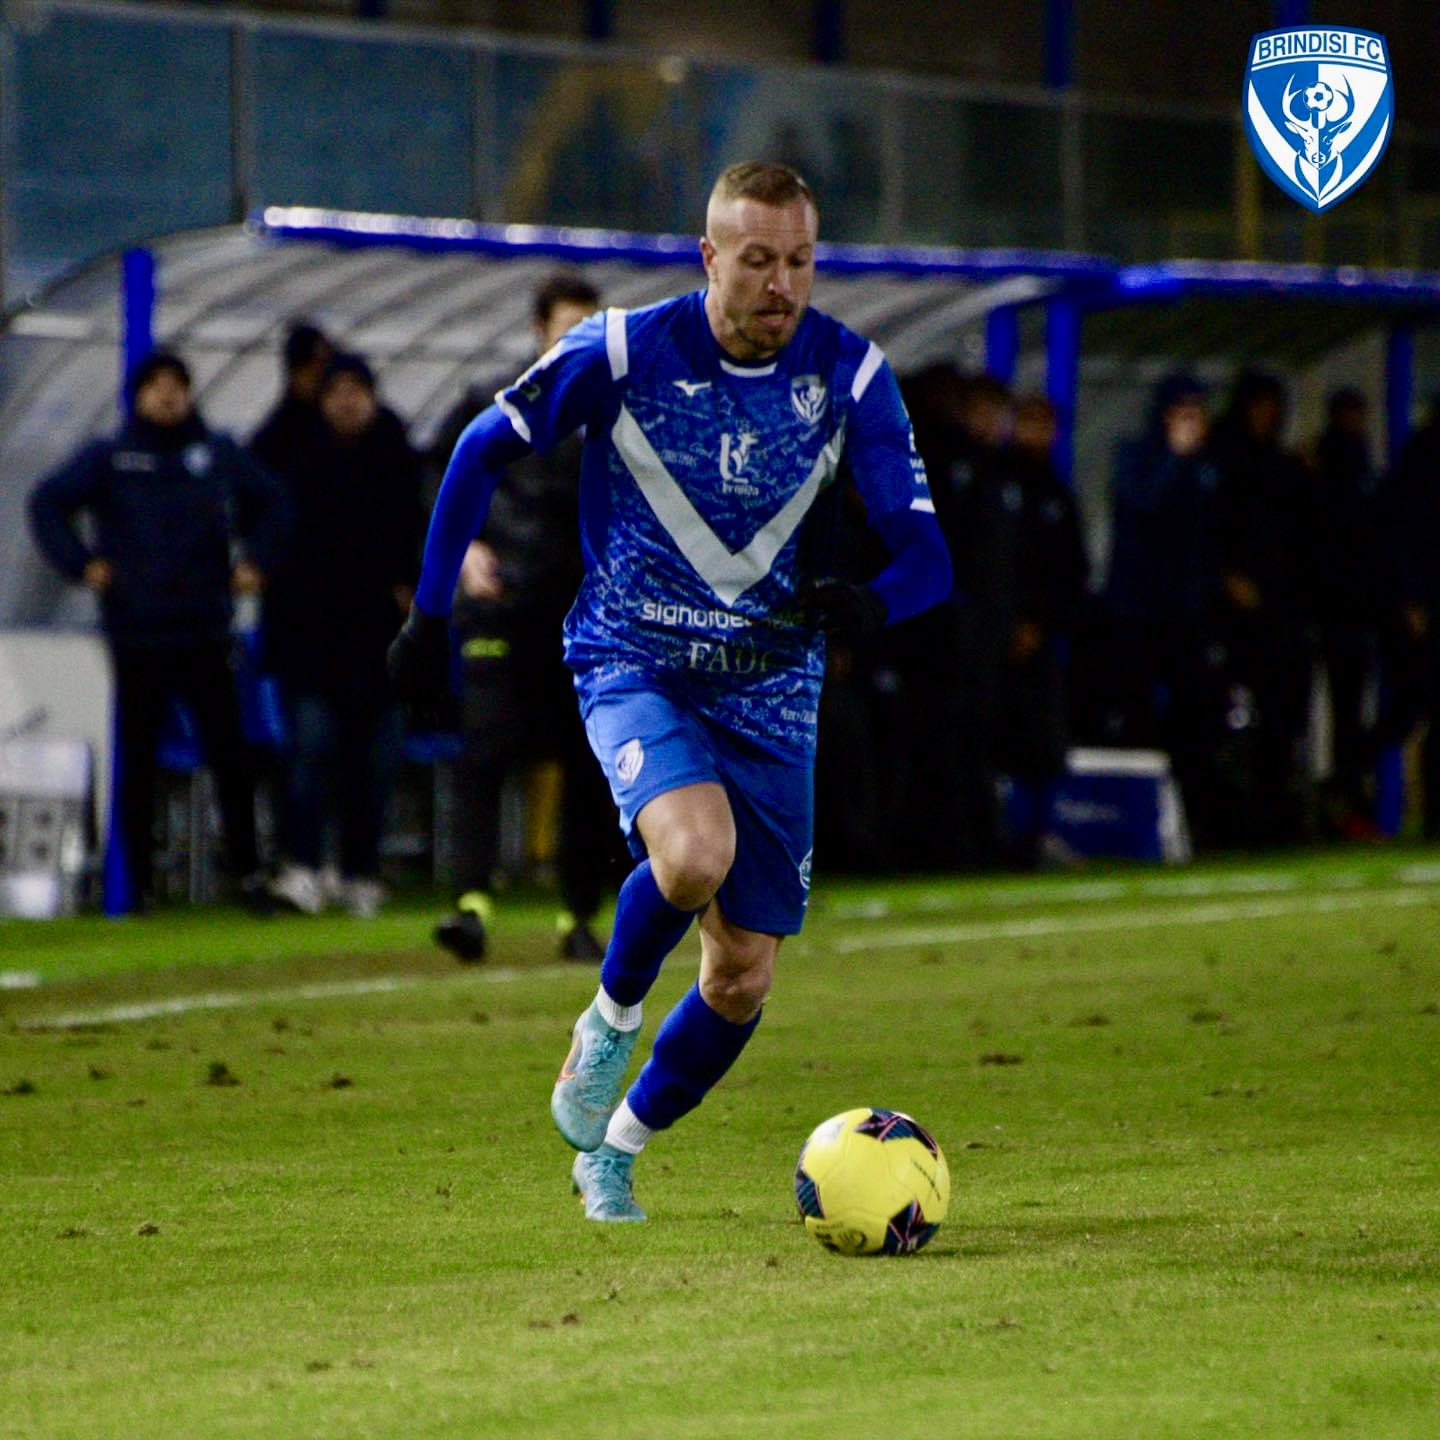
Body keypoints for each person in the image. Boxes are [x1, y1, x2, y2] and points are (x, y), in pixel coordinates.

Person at [388, 161, 951, 1223]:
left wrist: (876, 603)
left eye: (799, 261)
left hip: (774, 693)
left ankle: (614, 1151)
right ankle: (605, 1022)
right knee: (693, 854)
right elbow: (476, 451)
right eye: (757, 261)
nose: (782, 285)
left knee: (742, 977)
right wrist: (430, 613)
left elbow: (929, 555)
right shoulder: (620, 353)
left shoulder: (852, 376)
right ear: (708, 258)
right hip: (635, 658)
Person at [27, 349, 287, 910]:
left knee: (230, 757)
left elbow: (274, 502)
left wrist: (256, 561)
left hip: (204, 631)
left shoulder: (214, 454)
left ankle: (247, 875)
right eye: (156, 386)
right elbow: (46, 502)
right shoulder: (112, 456)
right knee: (138, 760)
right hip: (137, 632)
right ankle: (136, 883)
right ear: (139, 395)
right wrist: (81, 564)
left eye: (177, 385)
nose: (167, 395)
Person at [427, 273, 619, 964]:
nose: (578, 341)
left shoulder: (611, 414)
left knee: (586, 766)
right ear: (538, 330)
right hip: (500, 610)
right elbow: (438, 478)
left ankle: (577, 916)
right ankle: (472, 907)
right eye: (568, 327)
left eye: (589, 328)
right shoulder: (493, 404)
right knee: (483, 754)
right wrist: (466, 548)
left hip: (582, 620)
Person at [265, 353, 423, 917]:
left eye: (359, 389)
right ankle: (303, 867)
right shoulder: (295, 458)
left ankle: (359, 871)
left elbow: (422, 537)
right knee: (310, 755)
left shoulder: (401, 461)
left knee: (374, 768)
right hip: (311, 644)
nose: (348, 401)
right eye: (337, 391)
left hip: (380, 647)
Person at [1101, 374, 1228, 846]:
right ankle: (1132, 825)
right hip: (1138, 615)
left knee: (1197, 723)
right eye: (1183, 410)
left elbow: (1210, 540)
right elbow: (1142, 504)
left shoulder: (1210, 468)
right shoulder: (1136, 456)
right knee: (1135, 720)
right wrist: (1173, 457)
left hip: (1188, 617)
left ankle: (1198, 826)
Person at [1212, 371, 1317, 846]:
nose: (1268, 413)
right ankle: (1236, 821)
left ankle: (1280, 818)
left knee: (1285, 717)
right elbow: (1206, 529)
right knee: (1238, 720)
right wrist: (1227, 575)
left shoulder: (1285, 465)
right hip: (1238, 618)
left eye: (1273, 404)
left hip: (1283, 609)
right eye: (1260, 404)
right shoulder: (1224, 461)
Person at [1001, 394, 1090, 866]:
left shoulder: (1057, 492)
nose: (1038, 434)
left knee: (1042, 739)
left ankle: (1039, 831)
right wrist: (1004, 622)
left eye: (1046, 425)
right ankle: (1001, 833)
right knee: (998, 736)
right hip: (995, 636)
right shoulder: (996, 483)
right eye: (1029, 423)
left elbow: (1073, 569)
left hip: (1041, 637)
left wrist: (1043, 622)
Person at [1307, 388, 1386, 839]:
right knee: (1333, 716)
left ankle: (1348, 796)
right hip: (1331, 613)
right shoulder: (1329, 472)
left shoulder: (1362, 471)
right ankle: (1334, 800)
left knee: (1356, 713)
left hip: (1359, 612)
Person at [250, 320, 334, 477]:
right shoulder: (276, 436)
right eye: (311, 371)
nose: (321, 378)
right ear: (294, 373)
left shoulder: (342, 426)